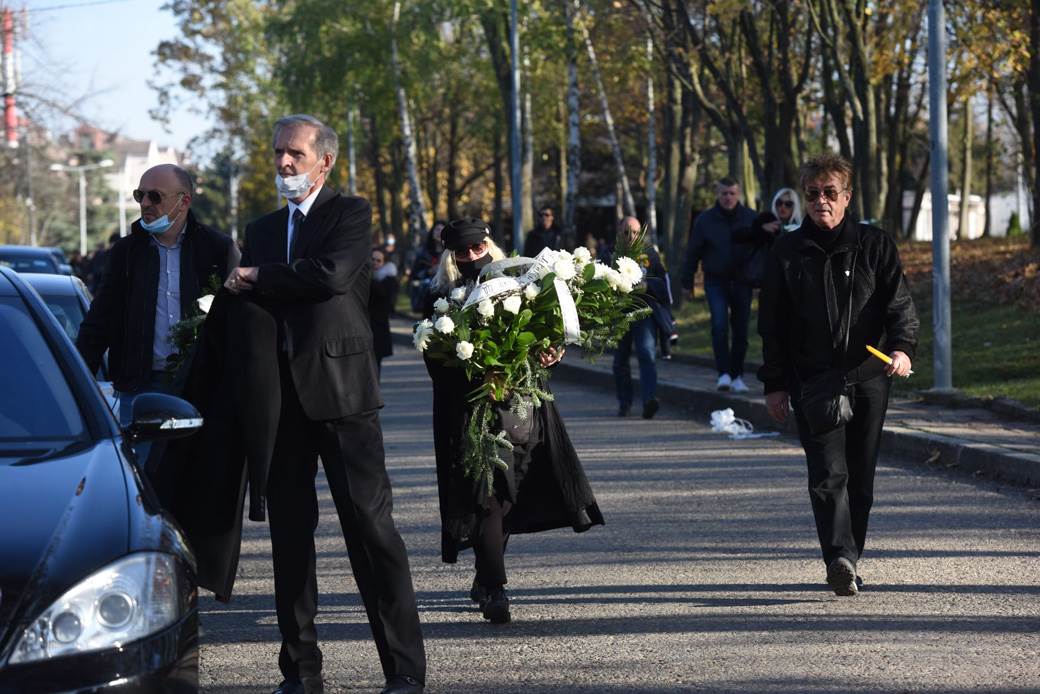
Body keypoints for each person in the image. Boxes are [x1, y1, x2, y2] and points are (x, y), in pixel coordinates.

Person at [224, 114, 425, 694]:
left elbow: (331, 276)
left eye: (294, 153)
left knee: (371, 529)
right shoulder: (260, 227)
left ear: (324, 162)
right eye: (277, 153)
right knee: (290, 538)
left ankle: (404, 670)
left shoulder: (349, 214)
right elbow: (256, 301)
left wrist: (261, 276)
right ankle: (301, 670)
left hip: (342, 395)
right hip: (279, 401)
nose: (283, 163)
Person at [423, 217, 604, 624]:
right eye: (463, 252)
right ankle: (495, 589)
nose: (472, 257)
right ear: (450, 257)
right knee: (486, 496)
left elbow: (543, 332)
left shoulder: (519, 282)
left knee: (507, 496)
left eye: (477, 248)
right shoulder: (440, 297)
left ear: (489, 245)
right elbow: (434, 359)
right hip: (471, 411)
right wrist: (476, 373)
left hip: (521, 406)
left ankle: (486, 573)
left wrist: (550, 352)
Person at [757, 153, 918, 597]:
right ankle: (839, 558)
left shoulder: (875, 245)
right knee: (828, 474)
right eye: (813, 194)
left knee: (861, 476)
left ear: (847, 197)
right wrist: (774, 384)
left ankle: (850, 556)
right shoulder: (786, 251)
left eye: (830, 193)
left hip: (869, 376)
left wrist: (902, 349)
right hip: (813, 380)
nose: (821, 202)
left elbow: (899, 305)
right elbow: (771, 324)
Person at [76, 164, 240, 430]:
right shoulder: (126, 252)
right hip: (140, 387)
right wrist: (76, 377)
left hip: (201, 384)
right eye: (139, 195)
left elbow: (238, 320)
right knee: (143, 468)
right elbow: (101, 319)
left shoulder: (217, 249)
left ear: (184, 201)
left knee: (195, 469)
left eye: (155, 196)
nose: (145, 204)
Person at [680, 177, 758, 393]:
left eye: (732, 193)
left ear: (739, 194)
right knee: (719, 326)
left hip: (743, 281)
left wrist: (759, 278)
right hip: (716, 280)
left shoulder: (751, 218)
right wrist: (687, 282)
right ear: (718, 194)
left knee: (741, 330)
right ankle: (723, 373)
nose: (728, 197)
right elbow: (693, 251)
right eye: (724, 193)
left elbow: (761, 249)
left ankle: (738, 375)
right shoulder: (705, 220)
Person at [610, 216, 670, 419]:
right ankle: (624, 403)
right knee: (620, 360)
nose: (631, 236)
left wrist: (648, 286)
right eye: (626, 232)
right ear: (619, 233)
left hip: (644, 311)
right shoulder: (611, 254)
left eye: (635, 232)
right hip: (619, 314)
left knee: (646, 353)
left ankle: (649, 401)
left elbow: (663, 283)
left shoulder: (650, 254)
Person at [369, 245, 397, 378]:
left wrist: (369, 279)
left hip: (378, 326)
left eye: (378, 260)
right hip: (365, 324)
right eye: (372, 259)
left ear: (384, 262)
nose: (374, 263)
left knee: (375, 364)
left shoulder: (389, 279)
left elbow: (383, 293)